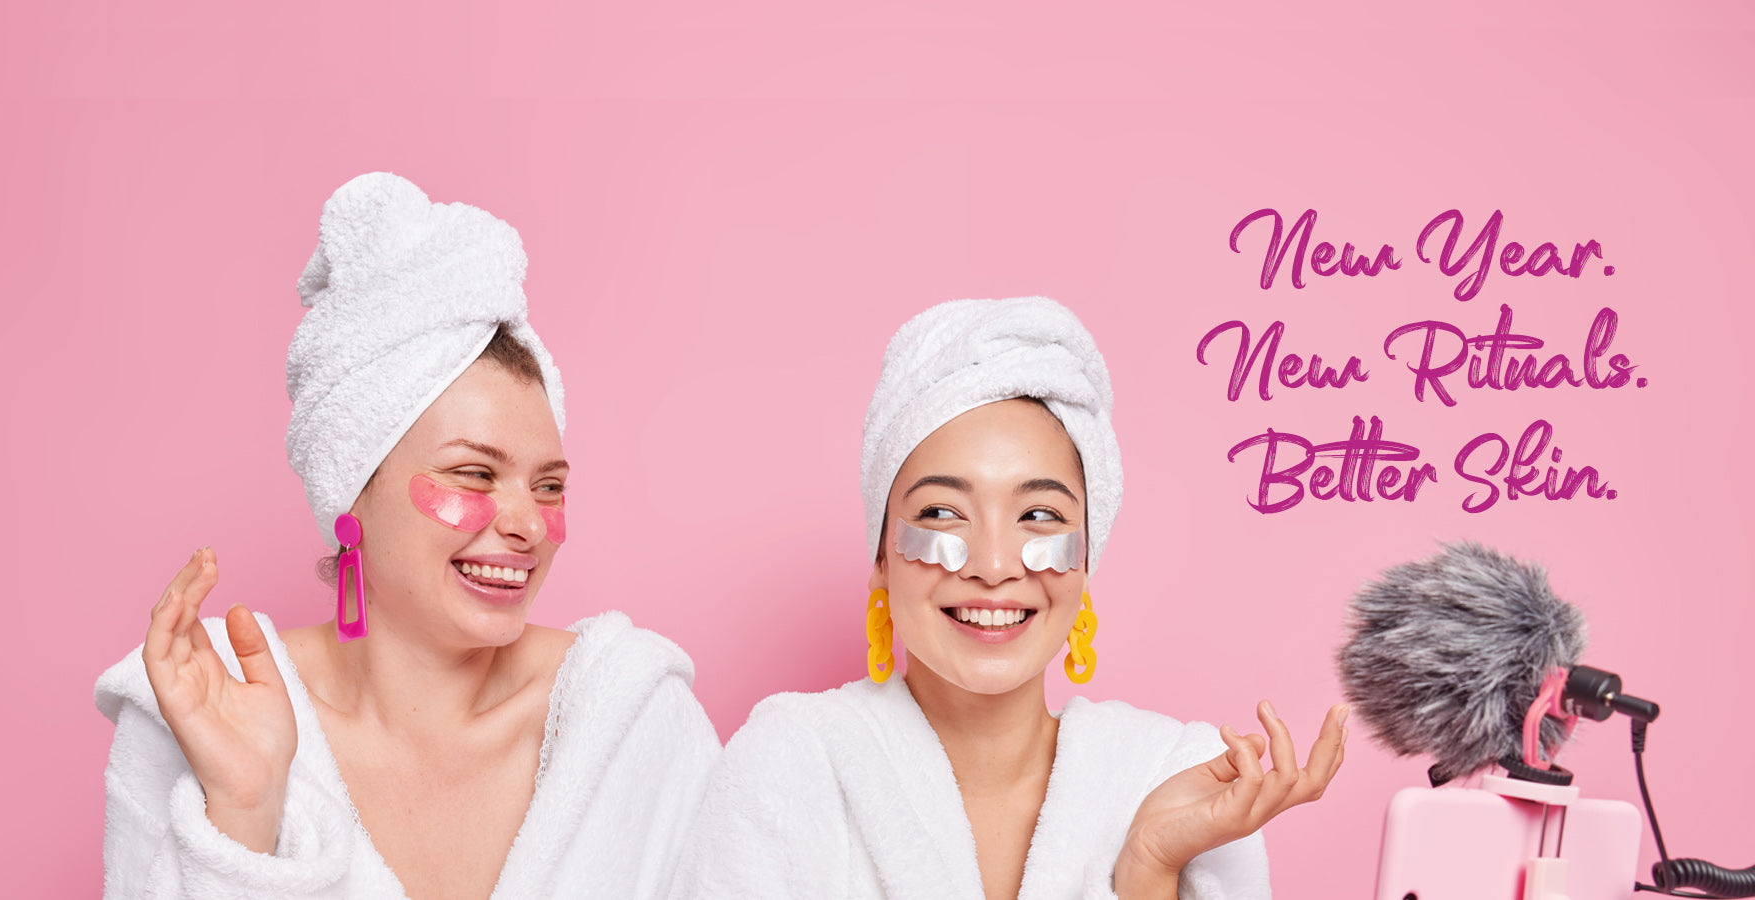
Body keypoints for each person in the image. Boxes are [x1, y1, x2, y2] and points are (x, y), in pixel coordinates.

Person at [93, 173, 719, 899]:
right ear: (352, 495)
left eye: (548, 486)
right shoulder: (202, 711)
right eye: (474, 475)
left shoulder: (632, 720)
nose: (525, 525)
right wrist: (244, 812)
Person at [673, 297, 1347, 900]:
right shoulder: (792, 764)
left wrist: (1147, 867)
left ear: (1087, 557)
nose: (994, 568)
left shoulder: (1166, 776)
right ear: (881, 556)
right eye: (941, 514)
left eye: (1039, 517)